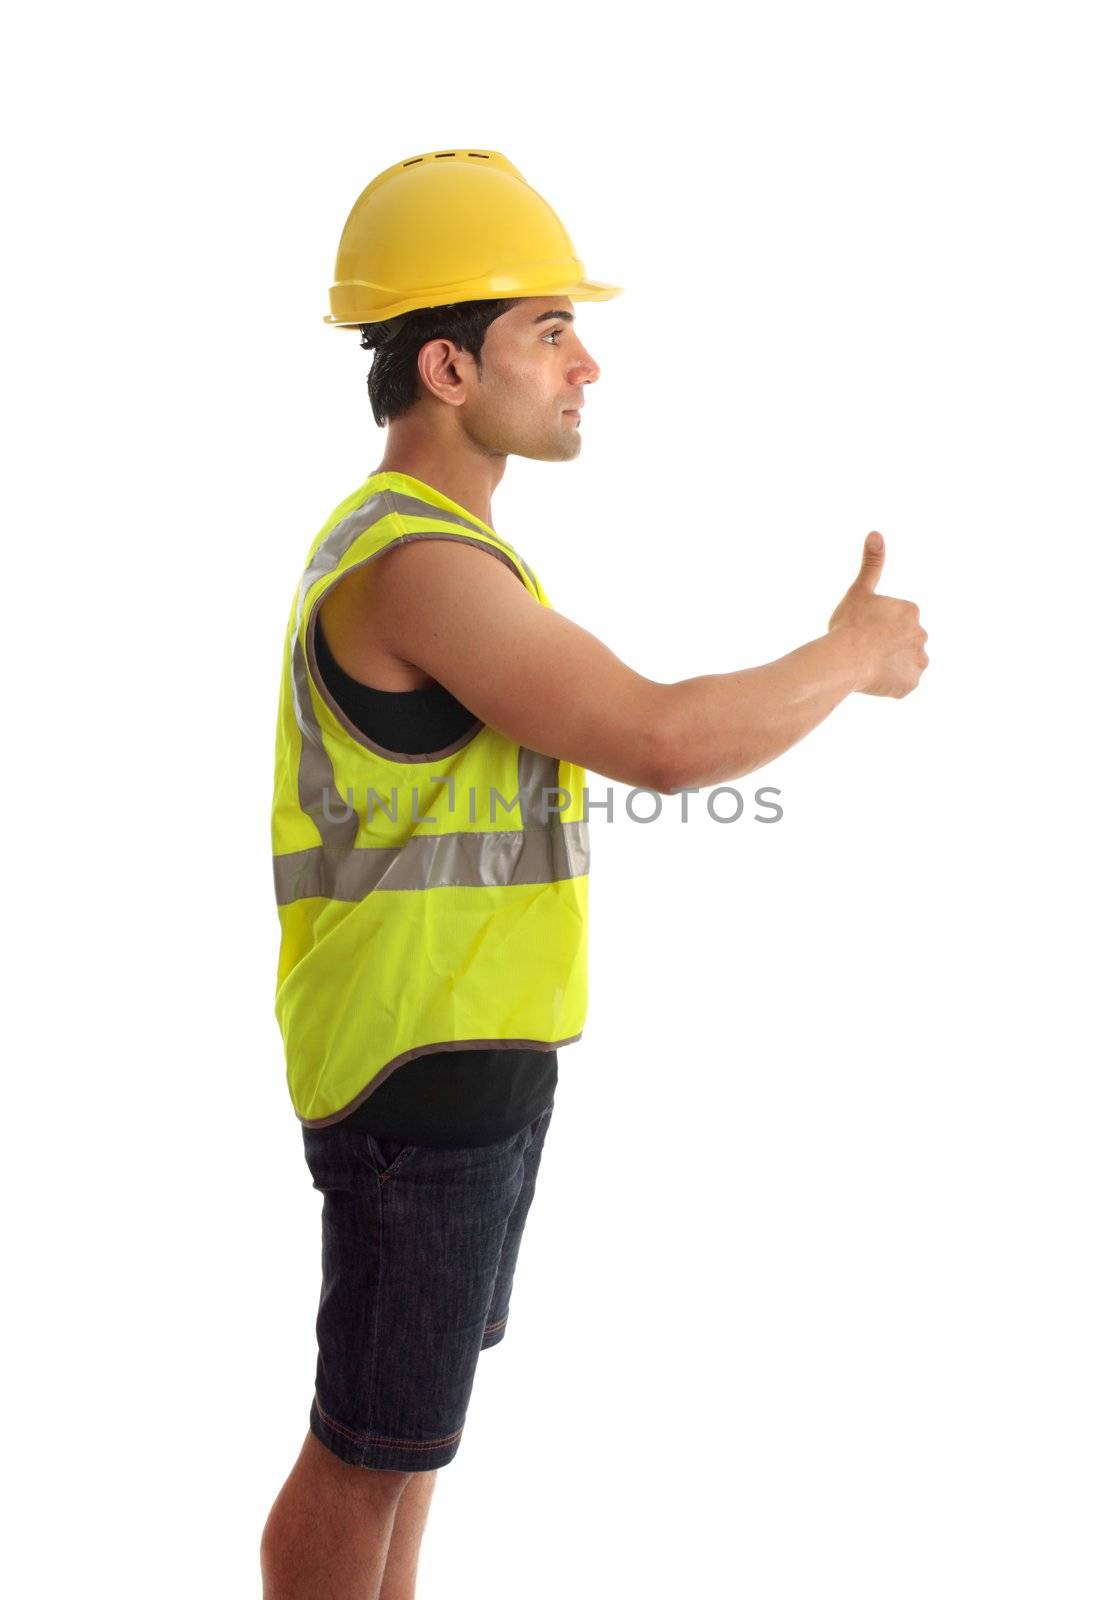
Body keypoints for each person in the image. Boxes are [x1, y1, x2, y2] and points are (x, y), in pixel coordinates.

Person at [260, 149, 929, 1600]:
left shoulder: (453, 555)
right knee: (362, 1447)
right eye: (548, 332)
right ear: (446, 364)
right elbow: (659, 742)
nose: (587, 364)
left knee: (407, 1440)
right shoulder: (417, 567)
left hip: (464, 1060)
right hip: (411, 1070)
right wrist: (851, 656)